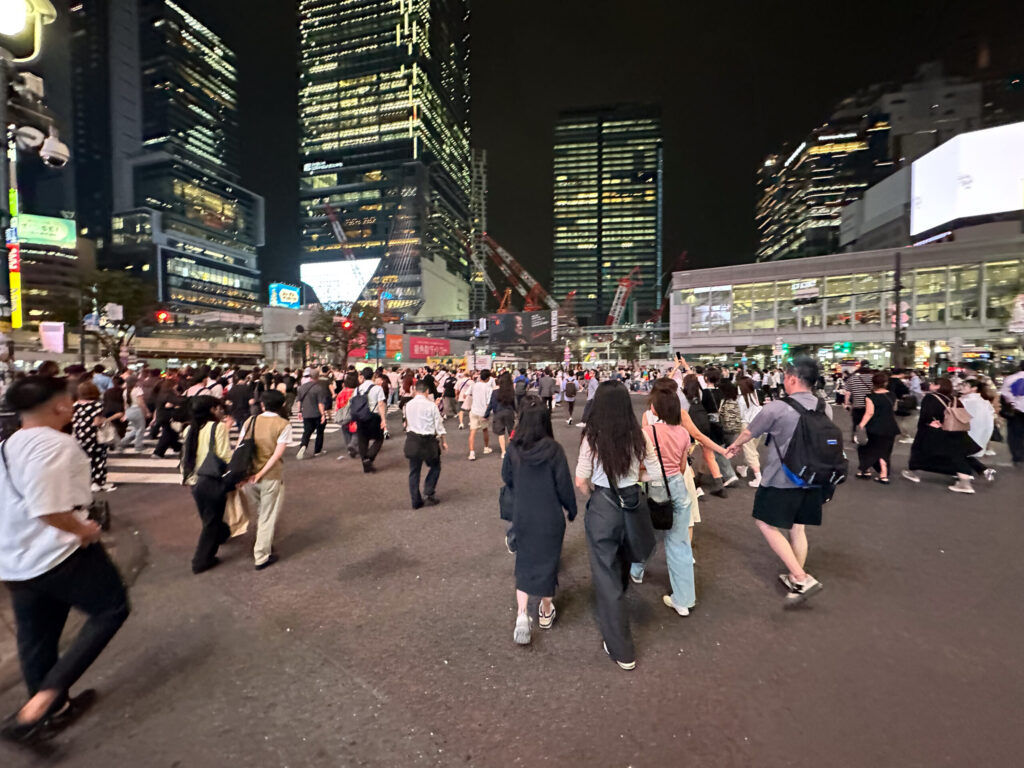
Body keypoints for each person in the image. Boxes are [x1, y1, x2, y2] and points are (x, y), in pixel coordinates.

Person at [0, 377, 130, 743]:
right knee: (111, 609)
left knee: (36, 637)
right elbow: (48, 509)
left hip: (15, 558)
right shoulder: (56, 445)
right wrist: (83, 530)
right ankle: (42, 703)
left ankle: (52, 711)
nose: (72, 405)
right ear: (58, 406)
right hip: (59, 553)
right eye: (68, 401)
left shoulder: (8, 445)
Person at [724, 358, 829, 606]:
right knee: (798, 527)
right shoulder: (825, 406)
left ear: (792, 379)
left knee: (765, 523)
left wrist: (734, 446)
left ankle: (802, 578)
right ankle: (795, 575)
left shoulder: (778, 407)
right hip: (813, 477)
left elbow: (750, 431)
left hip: (782, 478)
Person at [575, 381, 660, 671]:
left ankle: (622, 648)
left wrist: (597, 497)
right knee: (625, 557)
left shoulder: (592, 437)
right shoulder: (639, 436)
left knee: (605, 572)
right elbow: (657, 472)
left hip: (603, 504)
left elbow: (581, 480)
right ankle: (619, 604)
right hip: (632, 500)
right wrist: (635, 477)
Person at [502, 397, 576, 645]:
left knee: (525, 561)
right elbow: (564, 484)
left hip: (523, 514)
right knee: (548, 562)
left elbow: (507, 477)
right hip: (550, 516)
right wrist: (572, 508)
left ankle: (522, 615)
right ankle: (545, 611)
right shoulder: (554, 450)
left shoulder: (513, 449)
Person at [628, 384, 697, 618]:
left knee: (648, 533)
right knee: (679, 544)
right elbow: (680, 466)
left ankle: (636, 570)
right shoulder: (683, 433)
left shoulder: (648, 432)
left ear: (655, 409)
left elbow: (638, 463)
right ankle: (684, 600)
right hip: (678, 487)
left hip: (655, 486)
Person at [180, 395, 232, 574]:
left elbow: (185, 457)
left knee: (209, 516)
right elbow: (225, 456)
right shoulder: (218, 428)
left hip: (195, 481)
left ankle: (223, 534)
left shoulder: (189, 429)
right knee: (211, 521)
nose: (221, 411)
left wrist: (186, 478)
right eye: (218, 408)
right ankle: (201, 560)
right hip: (212, 480)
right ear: (211, 410)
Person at [902, 378, 977, 493]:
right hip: (953, 430)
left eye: (933, 383)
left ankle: (913, 472)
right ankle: (964, 480)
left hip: (932, 430)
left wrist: (927, 424)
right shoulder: (954, 398)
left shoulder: (930, 398)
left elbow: (926, 415)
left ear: (938, 386)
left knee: (920, 450)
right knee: (955, 455)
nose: (930, 385)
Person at [244, 390, 292, 570]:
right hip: (270, 476)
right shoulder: (283, 424)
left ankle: (263, 544)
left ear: (263, 404)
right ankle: (261, 555)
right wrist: (262, 472)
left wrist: (246, 474)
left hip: (249, 476)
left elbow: (241, 447)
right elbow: (276, 455)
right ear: (282, 405)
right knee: (267, 516)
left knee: (260, 512)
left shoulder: (251, 421)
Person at [404, 381, 447, 509]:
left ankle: (415, 501)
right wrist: (444, 440)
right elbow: (438, 425)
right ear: (427, 391)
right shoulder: (431, 406)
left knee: (414, 471)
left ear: (415, 390)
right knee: (435, 466)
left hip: (412, 440)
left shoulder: (408, 405)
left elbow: (406, 422)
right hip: (428, 441)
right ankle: (428, 492)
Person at [854, 372, 900, 483]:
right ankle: (883, 475)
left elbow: (869, 413)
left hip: (875, 427)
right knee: (885, 451)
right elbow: (894, 409)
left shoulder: (871, 397)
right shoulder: (892, 395)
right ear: (886, 383)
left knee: (866, 449)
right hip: (890, 426)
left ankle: (865, 470)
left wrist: (861, 425)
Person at [72, 381, 116, 493]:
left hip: (79, 435)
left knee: (84, 459)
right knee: (98, 459)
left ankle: (86, 482)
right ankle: (97, 482)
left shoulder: (75, 405)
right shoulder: (97, 405)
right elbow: (97, 422)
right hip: (94, 435)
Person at [960, 379, 996, 482]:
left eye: (965, 385)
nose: (962, 387)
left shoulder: (968, 401)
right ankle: (983, 470)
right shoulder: (983, 402)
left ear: (974, 389)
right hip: (978, 435)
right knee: (961, 454)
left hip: (967, 434)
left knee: (956, 452)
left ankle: (965, 474)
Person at [353, 367, 388, 473]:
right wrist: (383, 419)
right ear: (373, 376)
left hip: (360, 417)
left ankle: (365, 461)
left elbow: (354, 403)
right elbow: (381, 404)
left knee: (362, 440)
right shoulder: (377, 388)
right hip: (374, 416)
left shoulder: (357, 389)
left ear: (362, 376)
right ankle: (369, 457)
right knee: (379, 438)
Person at [295, 369, 330, 460]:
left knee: (307, 431)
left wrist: (299, 411)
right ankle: (317, 450)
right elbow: (320, 403)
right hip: (317, 414)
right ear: (317, 377)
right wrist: (323, 414)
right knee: (319, 432)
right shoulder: (319, 388)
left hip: (306, 413)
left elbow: (299, 401)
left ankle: (303, 445)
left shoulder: (302, 387)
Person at [736, 377, 763, 487]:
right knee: (752, 448)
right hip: (760, 424)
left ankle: (758, 477)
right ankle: (744, 467)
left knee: (750, 450)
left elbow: (741, 415)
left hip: (747, 425)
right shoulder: (754, 394)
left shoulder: (741, 399)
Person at [485, 371, 517, 459]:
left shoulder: (495, 392)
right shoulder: (511, 391)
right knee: (511, 432)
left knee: (501, 433)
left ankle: (503, 452)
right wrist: (518, 413)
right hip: (509, 413)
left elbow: (491, 404)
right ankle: (511, 450)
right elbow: (515, 404)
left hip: (498, 413)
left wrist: (486, 415)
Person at [1000, 361, 1024, 467]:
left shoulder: (1011, 378)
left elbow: (1005, 394)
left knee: (1015, 434)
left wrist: (1013, 402)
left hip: (1016, 411)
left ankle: (1018, 456)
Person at [119, 373, 151, 454]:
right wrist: (146, 412)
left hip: (129, 411)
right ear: (135, 382)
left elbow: (125, 404)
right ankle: (138, 446)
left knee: (136, 428)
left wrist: (125, 414)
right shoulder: (138, 390)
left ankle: (122, 443)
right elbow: (141, 403)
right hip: (137, 410)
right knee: (140, 429)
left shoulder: (125, 391)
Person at [468, 369, 494, 461]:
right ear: (488, 378)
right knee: (485, 430)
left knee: (472, 432)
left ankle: (472, 453)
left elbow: (468, 394)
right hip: (483, 412)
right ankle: (486, 448)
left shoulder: (473, 385)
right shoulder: (489, 388)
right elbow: (488, 402)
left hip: (474, 410)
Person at [334, 371, 360, 460]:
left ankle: (350, 449)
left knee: (346, 432)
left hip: (344, 417)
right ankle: (352, 445)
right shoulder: (358, 391)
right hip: (355, 416)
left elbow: (337, 406)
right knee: (356, 432)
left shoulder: (341, 393)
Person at [844, 362, 873, 438]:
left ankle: (855, 436)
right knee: (870, 422)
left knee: (856, 422)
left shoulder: (852, 379)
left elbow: (847, 393)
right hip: (870, 406)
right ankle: (869, 437)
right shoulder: (873, 378)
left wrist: (846, 404)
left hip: (857, 405)